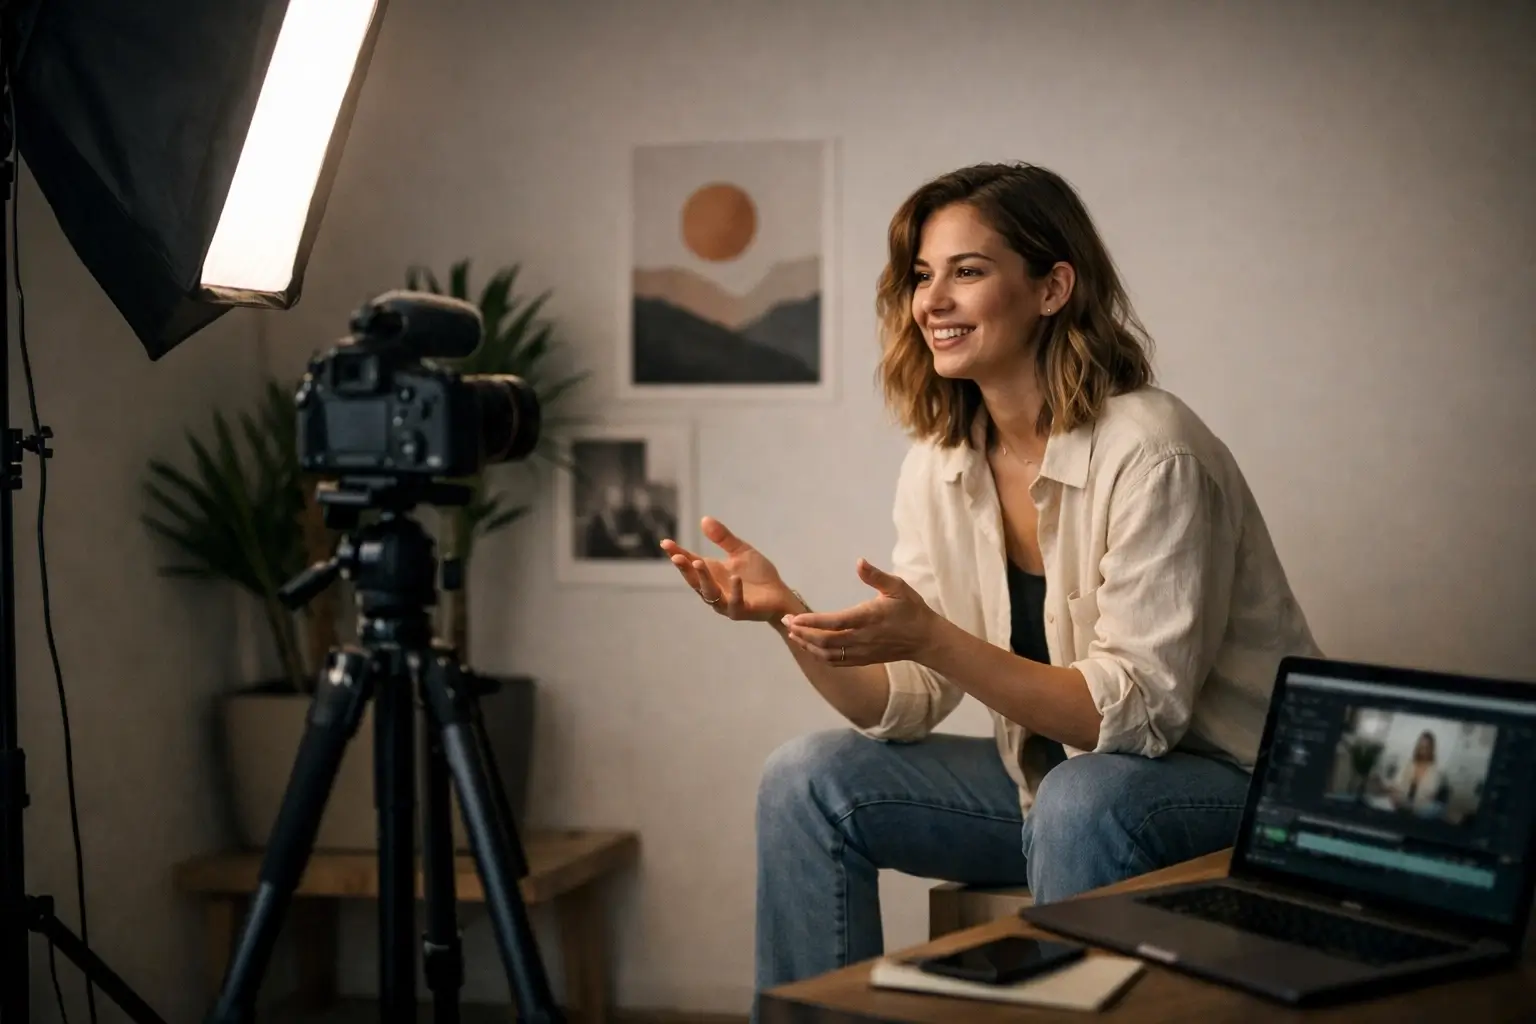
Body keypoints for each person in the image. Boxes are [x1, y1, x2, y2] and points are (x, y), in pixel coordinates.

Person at [658, 162, 1322, 999]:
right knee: (807, 777)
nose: (931, 300)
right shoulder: (940, 463)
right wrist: (787, 618)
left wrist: (935, 635)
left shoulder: (1155, 451)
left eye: (966, 271)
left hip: (1231, 792)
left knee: (1084, 797)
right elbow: (903, 700)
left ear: (1052, 287)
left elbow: (1137, 718)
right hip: (1050, 787)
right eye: (921, 276)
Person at [1385, 730, 1445, 816]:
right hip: (1400, 802)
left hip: (1420, 809)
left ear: (1431, 749)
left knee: (1436, 808)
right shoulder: (1407, 763)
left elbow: (1430, 794)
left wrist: (1414, 806)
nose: (1423, 750)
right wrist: (1394, 793)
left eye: (1426, 748)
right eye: (1421, 746)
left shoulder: (1435, 771)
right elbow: (1396, 783)